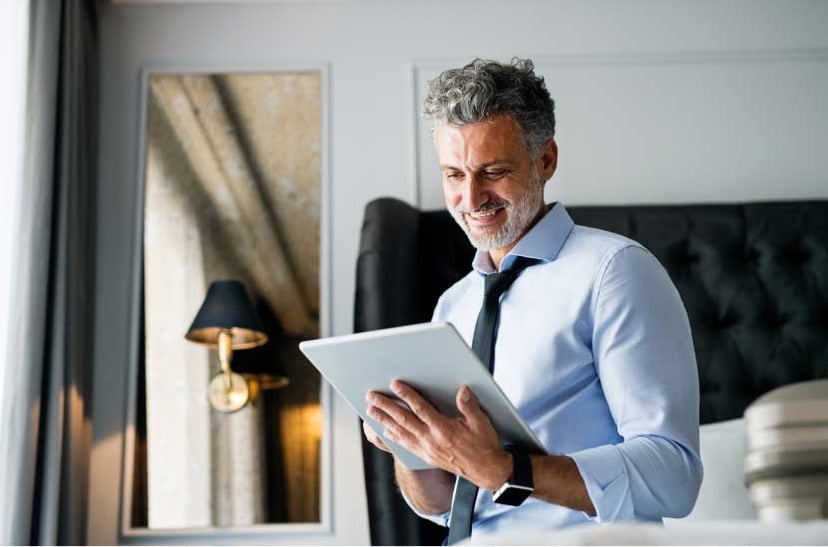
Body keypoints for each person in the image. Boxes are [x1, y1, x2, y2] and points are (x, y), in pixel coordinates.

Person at [362, 58, 702, 542]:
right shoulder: (452, 306)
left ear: (546, 160)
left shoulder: (616, 272)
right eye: (454, 175)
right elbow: (444, 507)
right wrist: (409, 446)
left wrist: (507, 469)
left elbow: (673, 476)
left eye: (493, 171)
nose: (471, 197)